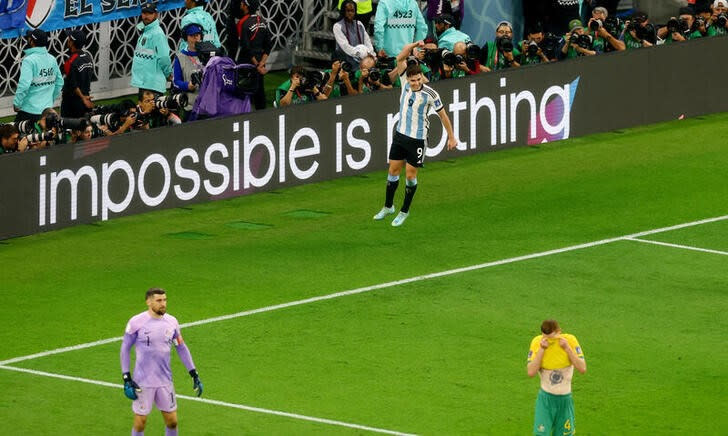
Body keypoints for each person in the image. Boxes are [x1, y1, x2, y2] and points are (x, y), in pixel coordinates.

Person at [372, 41, 457, 227]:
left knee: (410, 176)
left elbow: (443, 116)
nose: (416, 83)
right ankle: (388, 207)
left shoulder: (430, 94)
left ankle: (404, 210)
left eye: (418, 79)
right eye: (413, 80)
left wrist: (451, 137)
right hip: (400, 135)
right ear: (408, 80)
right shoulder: (404, 83)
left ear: (422, 77)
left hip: (417, 140)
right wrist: (413, 45)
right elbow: (400, 58)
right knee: (393, 171)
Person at [120, 288, 203, 436]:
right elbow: (125, 348)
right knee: (140, 423)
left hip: (165, 380)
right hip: (143, 382)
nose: (163, 304)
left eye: (164, 300)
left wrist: (194, 373)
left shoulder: (172, 322)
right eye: (159, 301)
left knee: (172, 421)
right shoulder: (136, 322)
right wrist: (126, 377)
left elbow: (181, 347)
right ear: (148, 302)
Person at [527, 319, 586, 436]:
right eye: (545, 337)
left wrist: (567, 348)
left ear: (559, 331)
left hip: (565, 401)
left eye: (551, 337)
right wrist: (542, 349)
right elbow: (531, 372)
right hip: (546, 401)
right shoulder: (537, 342)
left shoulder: (570, 340)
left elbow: (582, 368)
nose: (549, 341)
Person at [13, 29, 64, 123]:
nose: (28, 39)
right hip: (47, 111)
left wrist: (17, 103)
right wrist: (49, 100)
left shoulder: (29, 60)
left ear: (32, 41)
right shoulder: (52, 59)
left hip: (29, 111)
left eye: (29, 38)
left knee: (18, 135)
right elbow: (60, 82)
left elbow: (24, 85)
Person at [234, 0, 273, 110]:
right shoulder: (263, 21)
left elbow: (246, 47)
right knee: (260, 91)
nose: (240, 4)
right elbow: (268, 45)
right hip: (260, 60)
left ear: (246, 6)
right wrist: (262, 64)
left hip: (247, 62)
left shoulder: (243, 23)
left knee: (243, 89)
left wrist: (256, 65)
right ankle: (262, 116)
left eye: (242, 2)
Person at [131, 2, 172, 96]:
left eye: (150, 13)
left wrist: (168, 73)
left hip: (152, 84)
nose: (146, 16)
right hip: (145, 82)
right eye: (144, 13)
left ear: (156, 15)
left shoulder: (157, 33)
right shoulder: (146, 31)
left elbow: (164, 57)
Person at [173, 24, 205, 119]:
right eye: (191, 36)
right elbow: (176, 82)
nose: (195, 39)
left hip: (209, 104)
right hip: (191, 106)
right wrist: (187, 86)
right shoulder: (180, 57)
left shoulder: (209, 53)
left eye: (197, 35)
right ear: (186, 38)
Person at [60, 29, 95, 118]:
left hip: (72, 102)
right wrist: (85, 97)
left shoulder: (70, 61)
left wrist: (83, 98)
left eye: (69, 38)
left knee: (69, 127)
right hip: (86, 98)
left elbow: (73, 84)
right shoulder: (88, 57)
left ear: (71, 43)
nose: (67, 40)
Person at [333, 0, 375, 71]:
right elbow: (345, 46)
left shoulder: (359, 24)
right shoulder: (338, 26)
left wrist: (371, 54)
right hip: (346, 58)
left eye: (352, 11)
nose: (350, 13)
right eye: (348, 11)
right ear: (343, 12)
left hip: (361, 58)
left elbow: (367, 41)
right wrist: (361, 54)